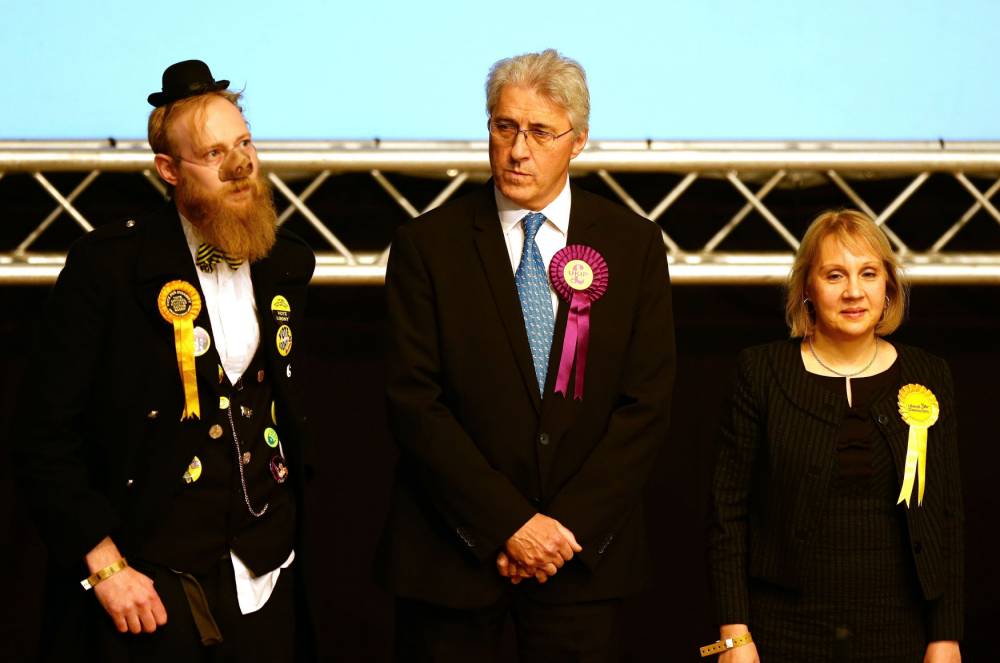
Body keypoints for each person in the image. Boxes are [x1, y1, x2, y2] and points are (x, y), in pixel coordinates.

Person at [377, 49, 676, 661]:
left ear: (579, 141)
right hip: (451, 558)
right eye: (504, 126)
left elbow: (645, 406)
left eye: (540, 132)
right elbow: (414, 403)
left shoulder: (634, 244)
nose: (518, 149)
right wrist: (507, 526)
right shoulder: (426, 245)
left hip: (581, 563)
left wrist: (563, 530)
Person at [13, 59, 316, 662]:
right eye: (213, 154)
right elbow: (40, 436)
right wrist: (105, 568)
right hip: (149, 584)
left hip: (265, 574)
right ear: (168, 170)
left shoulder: (288, 263)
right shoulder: (108, 269)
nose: (241, 167)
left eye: (245, 144)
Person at [707, 210, 963, 662]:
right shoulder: (760, 371)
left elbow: (946, 515)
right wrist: (734, 637)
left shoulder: (929, 374)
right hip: (781, 633)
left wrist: (946, 638)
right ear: (807, 287)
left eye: (868, 273)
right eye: (834, 274)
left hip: (898, 634)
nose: (853, 291)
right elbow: (727, 514)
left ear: (888, 285)